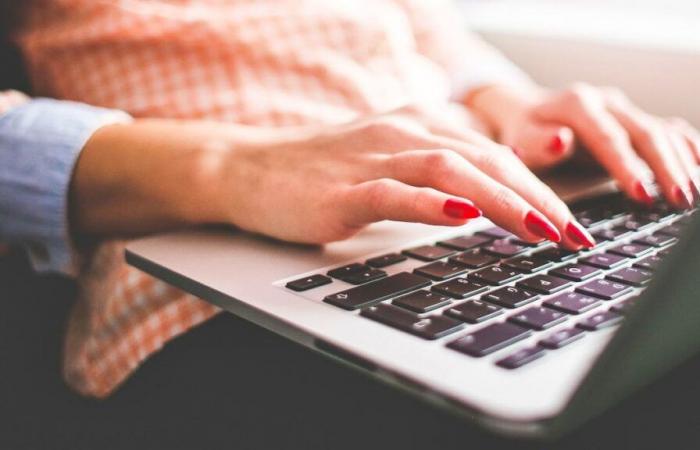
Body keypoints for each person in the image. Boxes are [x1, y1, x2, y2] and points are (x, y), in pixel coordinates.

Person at [1, 0, 699, 399]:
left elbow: (427, 33)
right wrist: (235, 165)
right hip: (213, 283)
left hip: (475, 211)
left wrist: (514, 103)